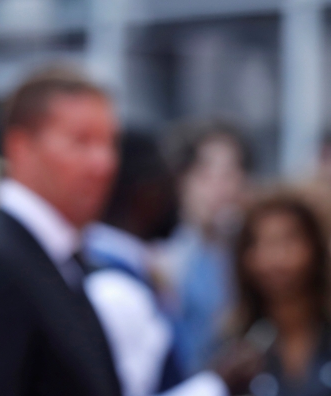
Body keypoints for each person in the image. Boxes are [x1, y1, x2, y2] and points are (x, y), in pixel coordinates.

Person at [0, 66, 122, 395]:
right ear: (20, 147)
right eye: (82, 141)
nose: (103, 163)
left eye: (109, 142)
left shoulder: (54, 255)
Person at [86, 130, 241, 396]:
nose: (178, 198)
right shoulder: (114, 290)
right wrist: (218, 384)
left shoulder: (127, 270)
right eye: (172, 184)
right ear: (148, 191)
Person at [230, 190, 331, 396]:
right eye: (262, 243)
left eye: (288, 240)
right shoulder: (234, 353)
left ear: (316, 249)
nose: (275, 257)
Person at [158, 121, 251, 373]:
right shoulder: (164, 259)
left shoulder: (249, 254)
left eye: (230, 174)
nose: (219, 187)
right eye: (205, 175)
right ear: (182, 180)